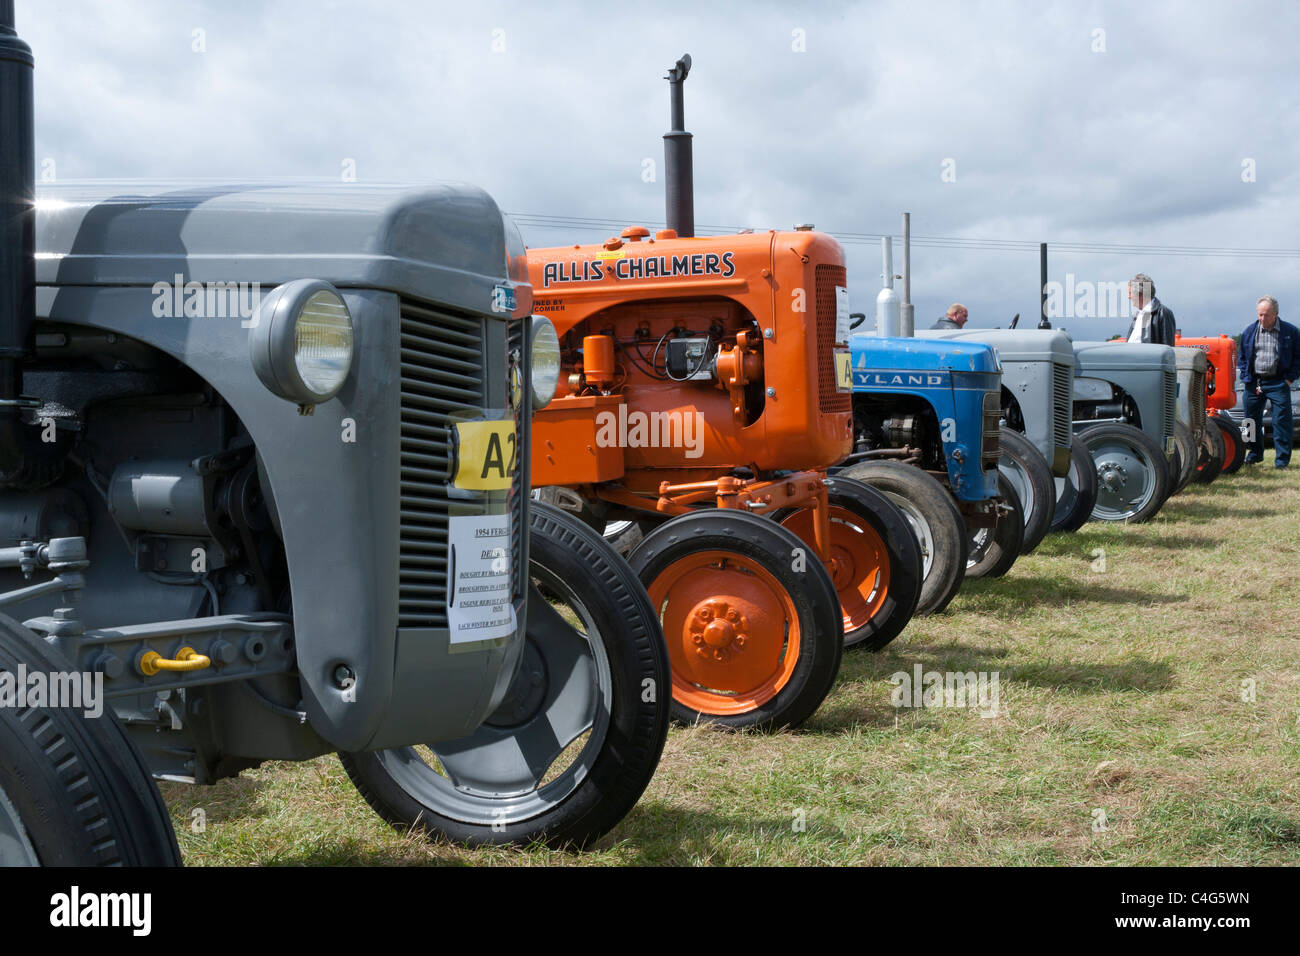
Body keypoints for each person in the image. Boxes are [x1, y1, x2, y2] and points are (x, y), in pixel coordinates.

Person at [1238, 295, 1300, 468]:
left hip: (1279, 383)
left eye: (1266, 315)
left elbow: (1298, 358)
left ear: (1276, 314)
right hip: (1253, 383)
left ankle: (1282, 461)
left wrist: (1288, 380)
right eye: (1260, 315)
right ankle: (1253, 454)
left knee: (1281, 421)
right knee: (1249, 422)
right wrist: (1245, 375)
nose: (1262, 319)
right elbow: (1242, 357)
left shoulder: (1290, 332)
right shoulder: (1249, 331)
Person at [1124, 274, 1176, 345]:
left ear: (1141, 294)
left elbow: (1167, 348)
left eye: (1130, 293)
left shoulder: (1163, 313)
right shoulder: (1137, 315)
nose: (1128, 297)